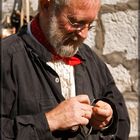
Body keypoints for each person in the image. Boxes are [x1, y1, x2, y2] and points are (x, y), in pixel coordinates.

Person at [1, 0, 130, 139]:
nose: (84, 35)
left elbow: (122, 121)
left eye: (90, 25)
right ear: (46, 5)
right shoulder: (6, 58)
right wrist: (50, 121)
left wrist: (108, 120)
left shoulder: (92, 60)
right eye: (75, 23)